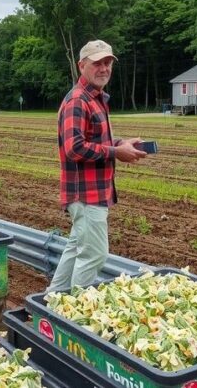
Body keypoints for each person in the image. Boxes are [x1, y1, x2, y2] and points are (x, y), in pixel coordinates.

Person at [46, 39, 147, 293]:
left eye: (107, 63)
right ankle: (72, 316)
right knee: (94, 255)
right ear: (82, 66)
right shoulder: (78, 101)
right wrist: (116, 152)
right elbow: (74, 147)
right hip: (86, 194)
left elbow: (93, 139)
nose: (103, 68)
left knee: (77, 248)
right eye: (97, 63)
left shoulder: (96, 98)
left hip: (93, 193)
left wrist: (122, 143)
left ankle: (52, 301)